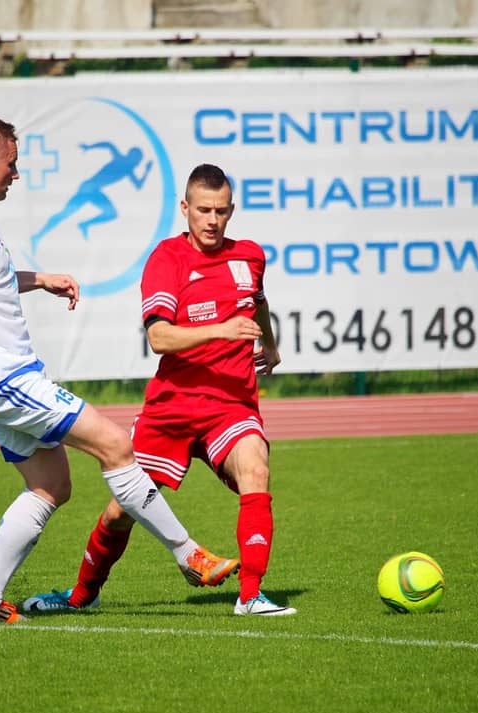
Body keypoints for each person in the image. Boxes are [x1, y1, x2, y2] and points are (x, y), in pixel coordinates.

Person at [0, 115, 239, 625]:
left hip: (3, 379)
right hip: (7, 379)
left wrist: (40, 280)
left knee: (50, 486)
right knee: (116, 444)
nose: (16, 174)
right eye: (11, 164)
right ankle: (189, 554)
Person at [23, 163, 296, 617]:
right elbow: (159, 337)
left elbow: (258, 300)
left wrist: (269, 344)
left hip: (231, 404)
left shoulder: (250, 256)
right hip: (173, 408)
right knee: (120, 512)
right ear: (185, 208)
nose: (212, 220)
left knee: (256, 470)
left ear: (232, 211)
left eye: (221, 211)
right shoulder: (167, 259)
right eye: (204, 210)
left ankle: (250, 596)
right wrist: (222, 329)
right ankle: (81, 596)